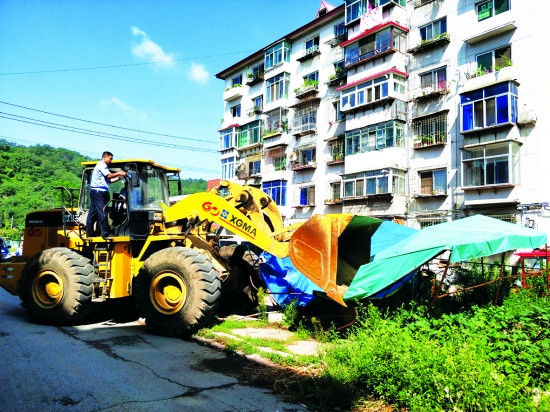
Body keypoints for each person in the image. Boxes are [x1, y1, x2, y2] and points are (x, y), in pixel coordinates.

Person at [86, 151, 126, 238]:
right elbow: (109, 176)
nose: (111, 161)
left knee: (93, 212)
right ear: (104, 157)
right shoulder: (101, 165)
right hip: (98, 192)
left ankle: (89, 232)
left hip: (98, 191)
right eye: (110, 159)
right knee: (103, 211)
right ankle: (105, 233)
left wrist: (119, 177)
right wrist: (119, 173)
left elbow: (110, 181)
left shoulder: (104, 167)